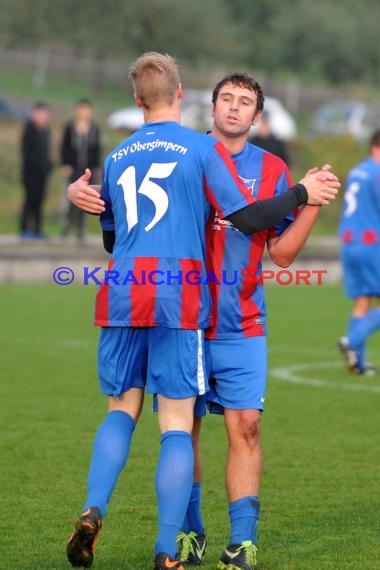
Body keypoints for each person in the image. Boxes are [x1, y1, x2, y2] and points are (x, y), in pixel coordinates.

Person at [65, 53, 339, 570]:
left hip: (140, 294)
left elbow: (112, 236)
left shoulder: (120, 154)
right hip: (182, 303)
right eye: (227, 99)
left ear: (136, 99)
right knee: (176, 424)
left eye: (245, 102)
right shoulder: (200, 150)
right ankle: (172, 546)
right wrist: (303, 193)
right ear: (195, 99)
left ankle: (97, 508)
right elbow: (250, 214)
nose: (235, 108)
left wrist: (79, 195)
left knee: (127, 411)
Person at [338, 128, 380, 376]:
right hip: (371, 243)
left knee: (363, 301)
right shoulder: (376, 172)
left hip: (349, 242)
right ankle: (351, 341)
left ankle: (358, 363)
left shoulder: (357, 170)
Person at [60, 99, 101, 241]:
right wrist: (65, 164)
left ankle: (80, 228)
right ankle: (66, 227)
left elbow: (96, 149)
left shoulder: (94, 128)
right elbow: (64, 147)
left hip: (88, 170)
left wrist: (96, 166)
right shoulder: (70, 127)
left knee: (86, 199)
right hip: (73, 169)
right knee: (69, 199)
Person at [19, 102, 52, 238]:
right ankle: (25, 228)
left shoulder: (46, 131)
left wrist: (49, 165)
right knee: (30, 200)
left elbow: (46, 153)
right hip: (30, 173)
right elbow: (27, 152)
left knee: (39, 201)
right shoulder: (29, 130)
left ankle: (37, 229)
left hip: (42, 174)